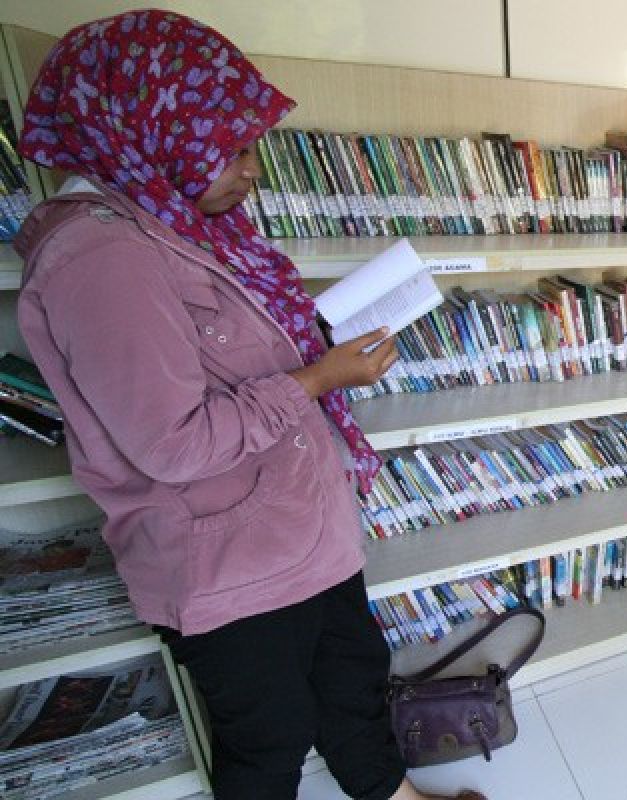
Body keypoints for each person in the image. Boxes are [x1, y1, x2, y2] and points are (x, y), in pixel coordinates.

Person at [14, 10, 485, 800]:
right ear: (151, 131)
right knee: (268, 739)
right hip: (231, 561)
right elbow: (172, 443)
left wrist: (319, 347)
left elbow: (233, 350)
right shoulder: (100, 257)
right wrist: (317, 380)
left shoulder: (175, 220)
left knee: (351, 681)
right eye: (231, 148)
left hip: (303, 522)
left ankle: (391, 796)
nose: (253, 170)